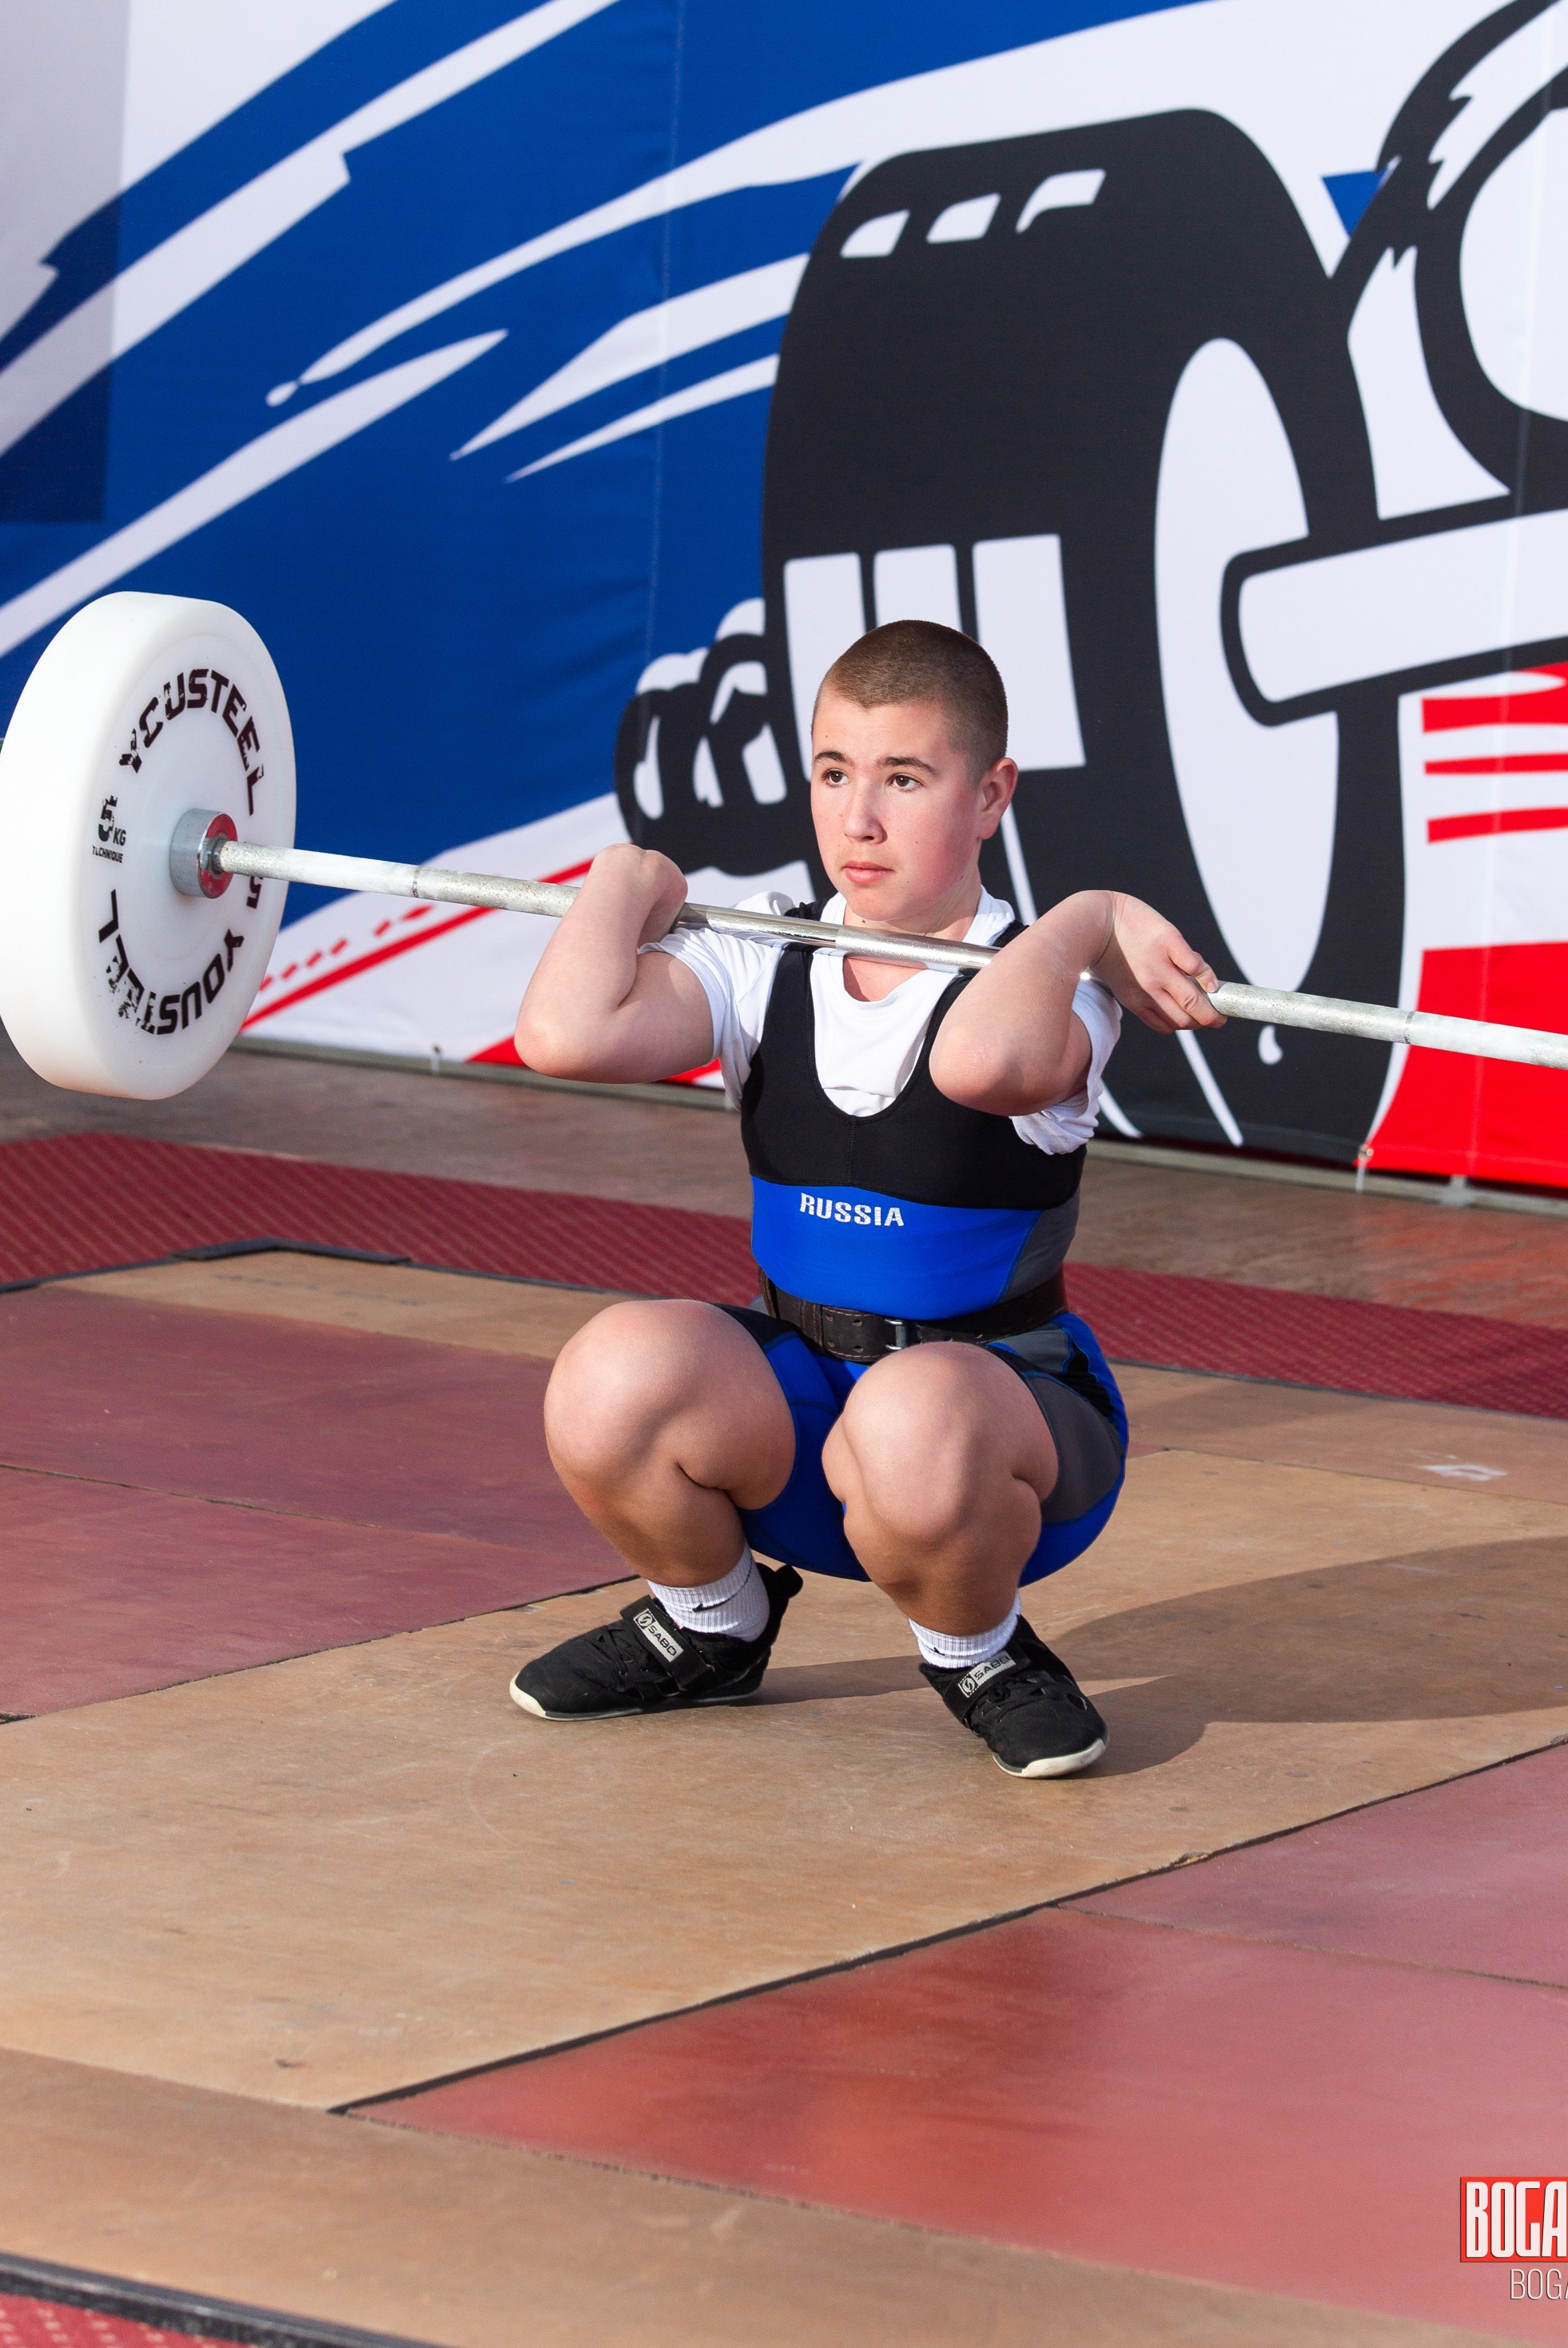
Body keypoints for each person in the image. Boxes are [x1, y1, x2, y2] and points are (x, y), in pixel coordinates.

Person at [511, 619, 1220, 1777]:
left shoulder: (1059, 989)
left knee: (912, 1415)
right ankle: (712, 1624)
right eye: (835, 774)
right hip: (803, 1419)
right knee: (612, 1370)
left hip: (1000, 1438)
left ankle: (980, 1650)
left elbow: (978, 1068)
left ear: (991, 796)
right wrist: (625, 875)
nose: (859, 820)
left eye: (905, 779)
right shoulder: (761, 952)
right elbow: (563, 1033)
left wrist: (1086, 917)